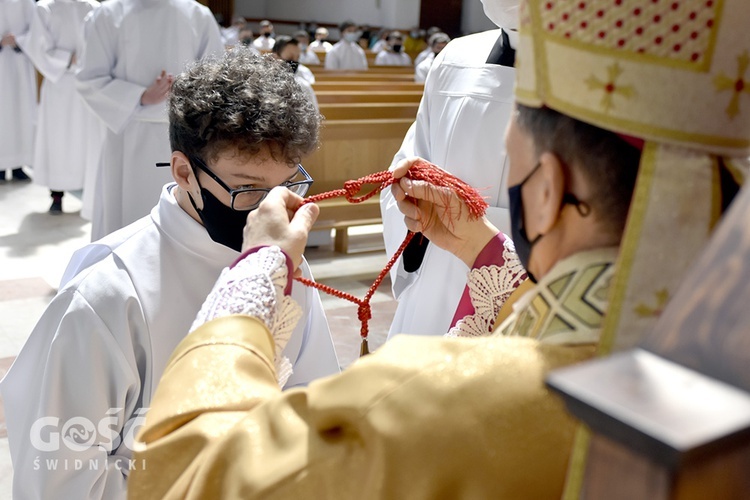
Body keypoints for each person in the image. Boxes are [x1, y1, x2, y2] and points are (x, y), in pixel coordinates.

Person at [124, 0, 750, 496]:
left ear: (548, 187)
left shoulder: (430, 399)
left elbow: (185, 471)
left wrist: (258, 271)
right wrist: (484, 249)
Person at [0, 49, 340, 500]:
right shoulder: (110, 292)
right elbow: (61, 481)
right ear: (185, 171)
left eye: (286, 186)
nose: (270, 210)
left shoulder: (282, 258)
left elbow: (313, 400)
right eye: (248, 189)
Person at [381, 0, 520, 339]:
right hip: (431, 273)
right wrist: (411, 204)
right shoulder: (455, 57)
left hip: (523, 291)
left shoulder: (605, 74)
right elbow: (411, 162)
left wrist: (486, 230)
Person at [75, 0, 223, 240]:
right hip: (128, 132)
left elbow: (215, 75)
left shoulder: (197, 14)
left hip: (186, 135)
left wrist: (186, 92)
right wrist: (140, 95)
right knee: (126, 226)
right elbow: (88, 79)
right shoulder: (108, 14)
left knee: (182, 225)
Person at [22, 0, 100, 214]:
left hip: (87, 83)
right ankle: (57, 194)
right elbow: (37, 46)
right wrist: (66, 59)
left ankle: (88, 194)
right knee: (58, 140)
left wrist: (88, 61)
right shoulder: (46, 8)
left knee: (83, 139)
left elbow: (101, 41)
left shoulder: (92, 7)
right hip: (58, 83)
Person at [0, 0, 36, 183]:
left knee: (18, 113)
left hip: (19, 64)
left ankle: (18, 165)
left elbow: (36, 29)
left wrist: (19, 41)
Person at [271, 36, 319, 110]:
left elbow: (314, 115)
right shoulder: (262, 83)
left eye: (297, 58)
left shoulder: (303, 86)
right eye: (290, 58)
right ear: (275, 57)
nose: (294, 63)